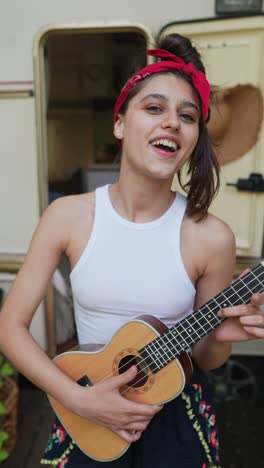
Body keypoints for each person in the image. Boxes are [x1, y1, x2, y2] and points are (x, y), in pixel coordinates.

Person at [0, 33, 264, 468]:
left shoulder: (212, 237)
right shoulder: (67, 216)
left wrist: (218, 337)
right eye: (154, 108)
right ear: (120, 123)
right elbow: (10, 327)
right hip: (83, 404)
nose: (172, 123)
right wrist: (80, 400)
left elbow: (206, 360)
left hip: (174, 413)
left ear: (195, 138)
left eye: (188, 115)